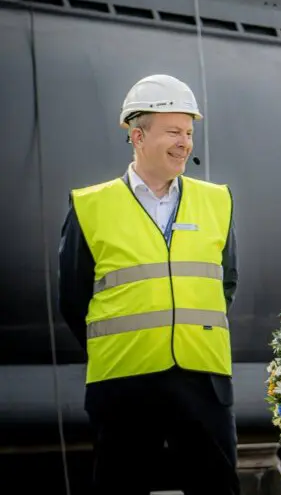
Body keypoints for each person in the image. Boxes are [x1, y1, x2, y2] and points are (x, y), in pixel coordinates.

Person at [57, 74, 240, 495]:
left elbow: (226, 282)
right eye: (173, 132)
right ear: (138, 136)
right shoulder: (91, 205)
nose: (184, 143)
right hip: (123, 383)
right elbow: (73, 298)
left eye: (189, 133)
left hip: (202, 379)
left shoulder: (217, 201)